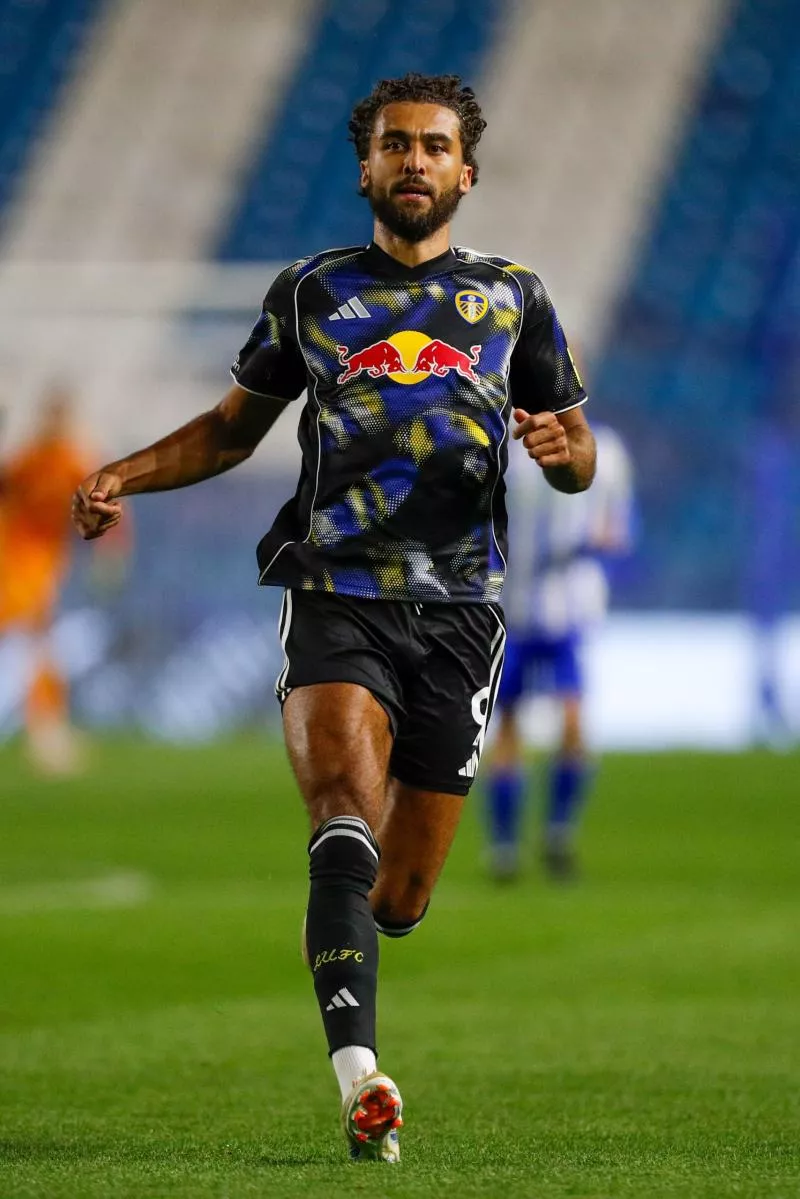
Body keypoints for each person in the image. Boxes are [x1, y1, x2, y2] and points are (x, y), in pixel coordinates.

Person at [71, 73, 596, 1162]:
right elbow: (228, 432)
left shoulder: (514, 298)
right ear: (365, 167)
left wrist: (565, 453)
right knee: (340, 822)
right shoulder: (309, 291)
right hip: (335, 591)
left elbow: (575, 448)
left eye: (433, 146)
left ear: (466, 170)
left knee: (398, 898)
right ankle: (360, 1077)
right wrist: (121, 469)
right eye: (394, 145)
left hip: (460, 610)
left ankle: (370, 953)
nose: (413, 160)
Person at [485, 423, 634, 881]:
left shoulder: (606, 449)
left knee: (573, 720)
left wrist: (603, 542)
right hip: (513, 610)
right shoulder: (502, 444)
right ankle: (505, 847)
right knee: (507, 724)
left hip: (570, 614)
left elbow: (623, 526)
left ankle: (558, 833)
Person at [0, 385, 94, 773]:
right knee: (33, 642)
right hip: (14, 561)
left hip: (41, 565)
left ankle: (46, 727)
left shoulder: (74, 459)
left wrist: (109, 550)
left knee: (34, 643)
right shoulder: (31, 459)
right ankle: (46, 729)